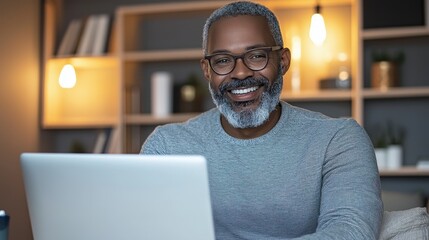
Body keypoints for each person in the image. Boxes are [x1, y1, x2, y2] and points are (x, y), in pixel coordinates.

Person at [141, 1, 383, 239]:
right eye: (223, 60)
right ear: (207, 70)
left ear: (283, 61)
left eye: (256, 56)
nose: (240, 72)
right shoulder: (167, 146)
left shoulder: (338, 140)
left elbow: (351, 231)